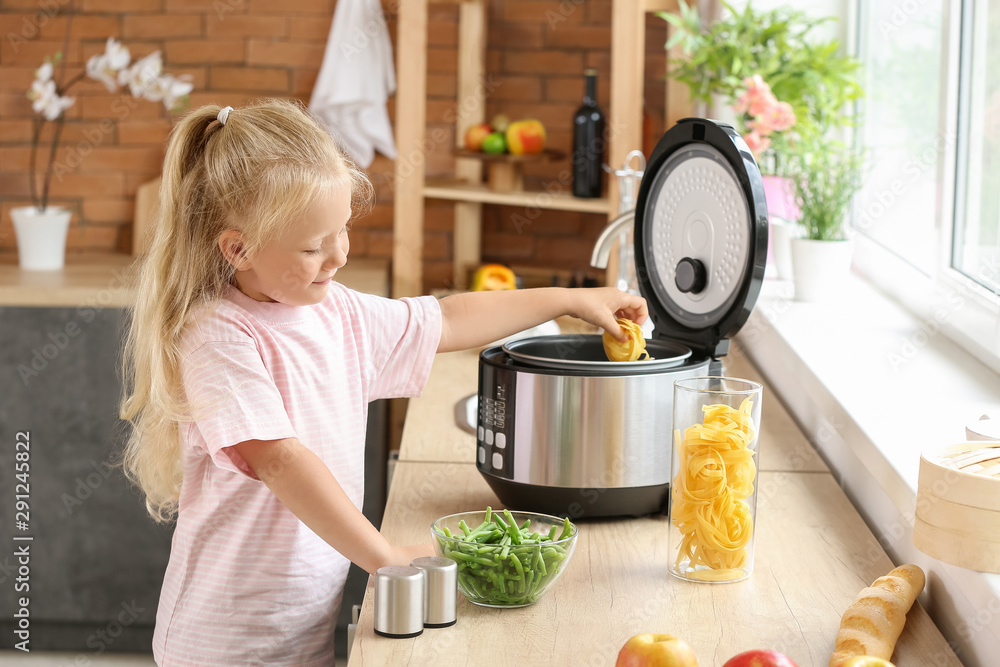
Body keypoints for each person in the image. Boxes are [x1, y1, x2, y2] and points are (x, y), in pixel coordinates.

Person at [118, 98, 646, 666]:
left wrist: (573, 300)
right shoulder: (217, 334)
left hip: (304, 623)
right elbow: (278, 460)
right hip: (224, 637)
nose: (339, 255)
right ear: (238, 248)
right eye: (312, 246)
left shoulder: (336, 312)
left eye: (342, 229)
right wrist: (385, 555)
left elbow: (447, 319)